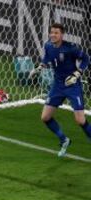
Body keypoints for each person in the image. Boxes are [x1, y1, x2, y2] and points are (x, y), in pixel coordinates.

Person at [30, 23, 90, 157]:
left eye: (56, 33)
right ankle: (64, 140)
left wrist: (77, 74)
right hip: (57, 85)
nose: (53, 35)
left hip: (72, 85)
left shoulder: (70, 48)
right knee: (45, 117)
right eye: (51, 32)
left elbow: (86, 59)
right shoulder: (48, 46)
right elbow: (47, 58)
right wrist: (39, 67)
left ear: (62, 35)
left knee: (80, 120)